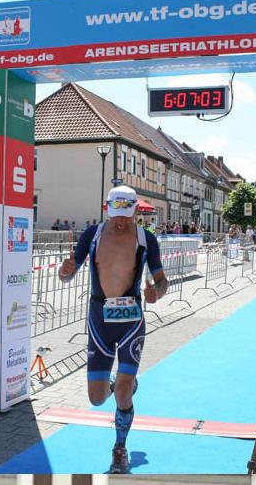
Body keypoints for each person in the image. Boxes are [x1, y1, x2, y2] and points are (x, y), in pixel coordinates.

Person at [58, 186, 168, 474]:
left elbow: (161, 279)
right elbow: (68, 274)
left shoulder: (146, 239)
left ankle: (120, 449)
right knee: (96, 398)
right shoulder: (92, 235)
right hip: (99, 321)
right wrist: (64, 272)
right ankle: (121, 384)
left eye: (126, 216)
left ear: (135, 211)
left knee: (122, 393)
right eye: (116, 215)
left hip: (131, 322)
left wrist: (156, 292)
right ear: (107, 209)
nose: (120, 221)